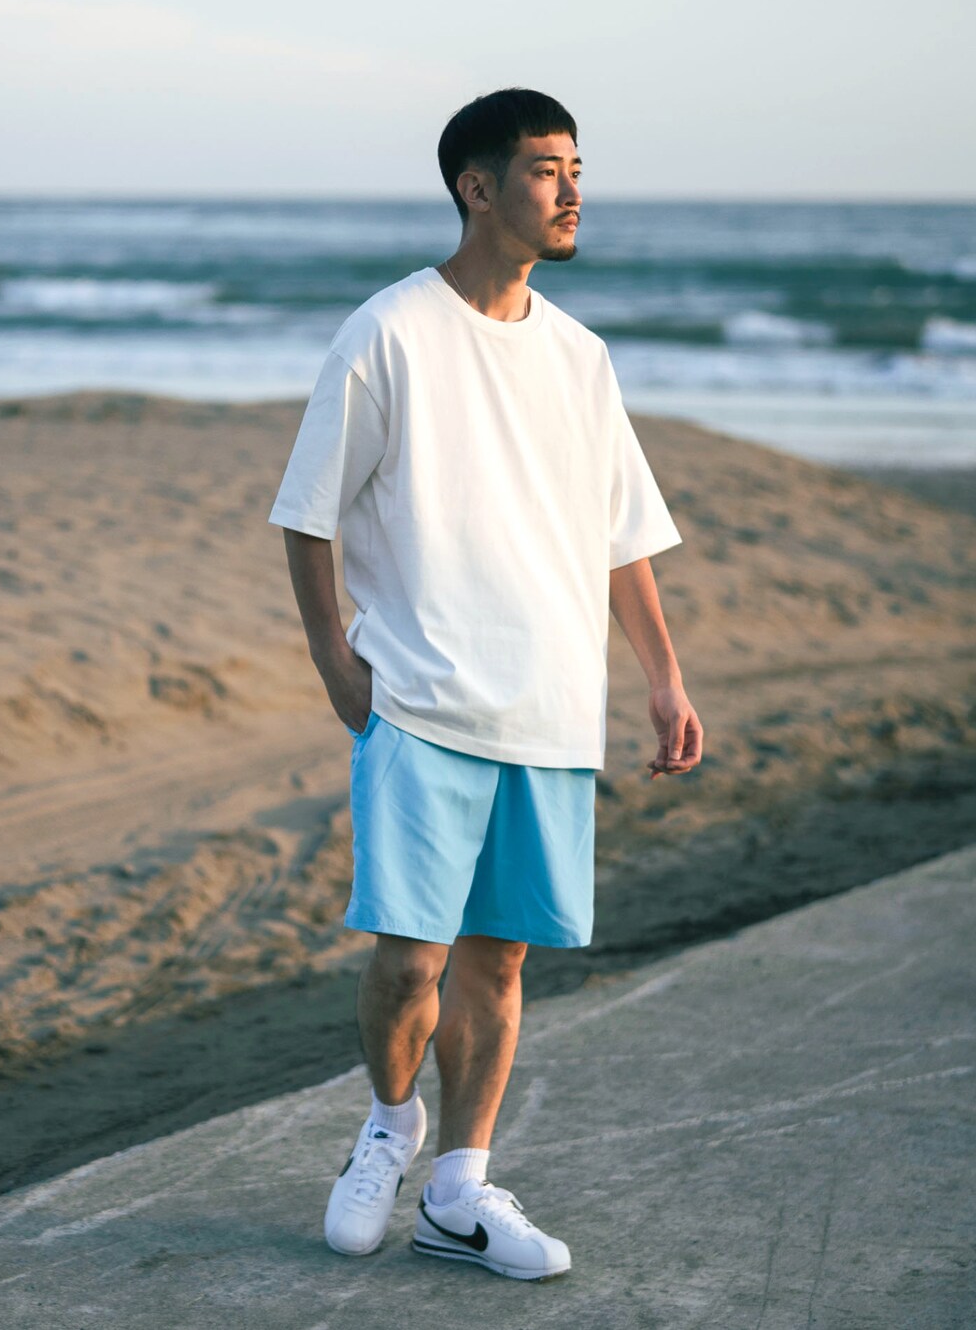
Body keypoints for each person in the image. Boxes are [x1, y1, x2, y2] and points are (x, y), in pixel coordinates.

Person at [268, 86, 703, 1281]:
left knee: (499, 961)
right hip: (417, 698)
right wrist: (335, 659)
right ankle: (389, 1122)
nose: (572, 191)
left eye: (577, 169)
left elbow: (621, 536)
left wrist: (663, 679)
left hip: (549, 704)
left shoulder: (579, 357)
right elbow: (307, 513)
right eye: (547, 169)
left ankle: (458, 1189)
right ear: (478, 186)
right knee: (410, 958)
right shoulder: (389, 332)